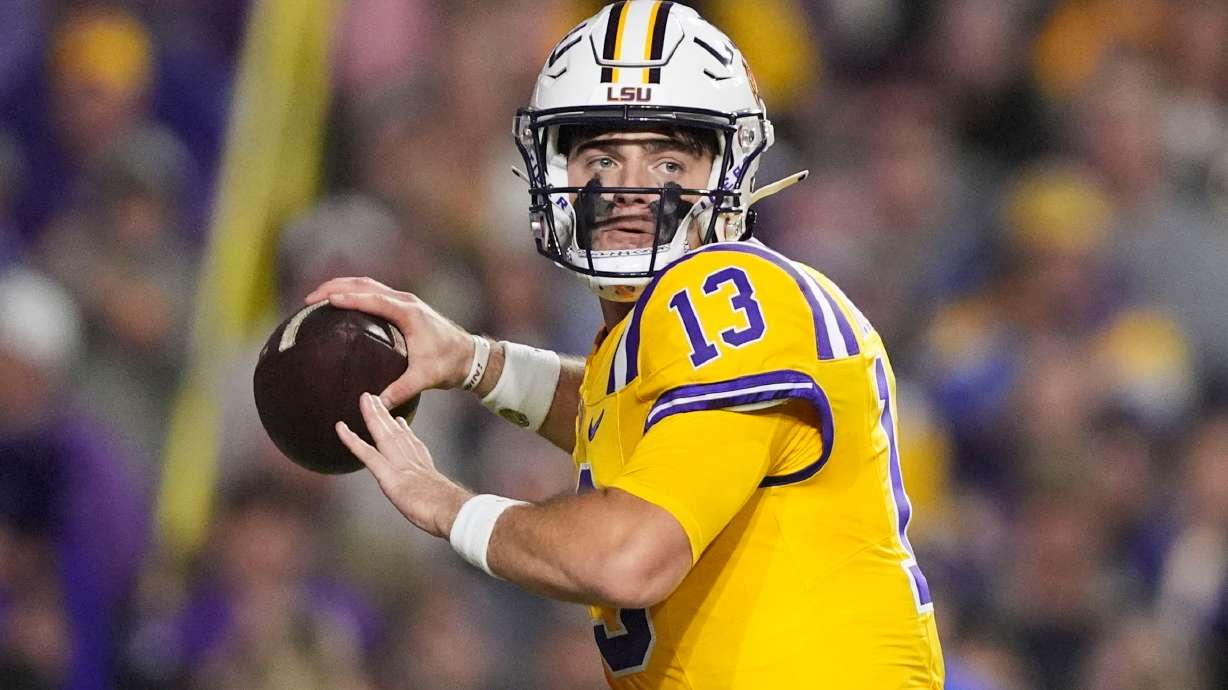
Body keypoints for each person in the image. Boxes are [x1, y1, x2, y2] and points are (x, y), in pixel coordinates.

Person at [308, 2, 944, 687]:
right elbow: (623, 414)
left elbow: (627, 557)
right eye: (603, 156)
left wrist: (447, 505)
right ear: (554, 171)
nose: (630, 189)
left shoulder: (728, 290)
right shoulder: (651, 334)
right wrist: (474, 362)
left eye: (668, 160)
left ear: (728, 172)